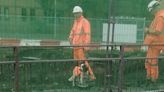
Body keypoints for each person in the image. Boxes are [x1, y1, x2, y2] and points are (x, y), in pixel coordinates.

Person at [68, 6, 96, 83]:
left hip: (81, 47)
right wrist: (70, 38)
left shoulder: (85, 22)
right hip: (75, 47)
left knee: (83, 63)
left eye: (77, 13)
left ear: (81, 13)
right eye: (74, 13)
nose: (75, 15)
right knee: (77, 63)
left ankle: (91, 76)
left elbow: (87, 35)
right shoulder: (76, 22)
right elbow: (73, 31)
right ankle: (76, 75)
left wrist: (86, 47)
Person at [144, 0, 164, 84]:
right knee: (149, 61)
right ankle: (149, 77)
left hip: (156, 44)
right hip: (153, 44)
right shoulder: (157, 16)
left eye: (151, 10)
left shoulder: (160, 17)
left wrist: (148, 30)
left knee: (152, 62)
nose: (150, 12)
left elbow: (158, 31)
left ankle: (153, 79)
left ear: (155, 8)